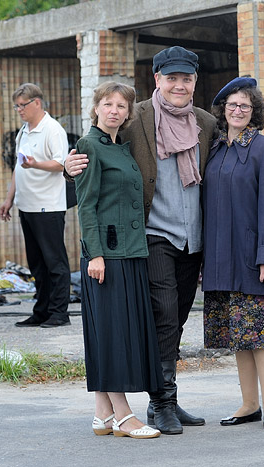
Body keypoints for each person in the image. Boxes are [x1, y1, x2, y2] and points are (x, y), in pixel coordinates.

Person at [66, 46, 264, 435]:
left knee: (178, 318)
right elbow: (101, 148)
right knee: (164, 315)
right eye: (171, 78)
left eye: (186, 79)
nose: (179, 85)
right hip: (153, 235)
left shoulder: (205, 123)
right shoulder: (136, 120)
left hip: (195, 240)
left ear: (194, 83)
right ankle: (162, 401)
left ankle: (164, 398)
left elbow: (241, 143)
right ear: (157, 80)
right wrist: (71, 166)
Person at [202, 77, 264, 430]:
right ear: (223, 111)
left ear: (254, 112)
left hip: (256, 258)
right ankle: (249, 403)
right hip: (224, 257)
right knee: (239, 334)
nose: (237, 111)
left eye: (244, 106)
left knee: (263, 335)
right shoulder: (215, 148)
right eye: (231, 105)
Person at [75, 81, 162, 439]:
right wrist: (94, 253)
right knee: (112, 335)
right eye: (108, 104)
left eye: (121, 106)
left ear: (128, 113)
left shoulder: (121, 148)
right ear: (96, 108)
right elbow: (86, 206)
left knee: (109, 333)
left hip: (131, 252)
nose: (114, 110)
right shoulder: (89, 147)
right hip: (106, 257)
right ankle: (125, 415)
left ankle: (102, 414)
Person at [0, 83, 71, 329]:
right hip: (26, 205)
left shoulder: (52, 129)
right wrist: (9, 199)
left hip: (47, 206)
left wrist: (36, 165)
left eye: (23, 105)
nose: (19, 110)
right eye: (16, 106)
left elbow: (61, 164)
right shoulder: (24, 131)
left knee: (54, 262)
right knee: (37, 264)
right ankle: (41, 311)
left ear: (37, 103)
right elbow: (19, 168)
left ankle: (59, 313)